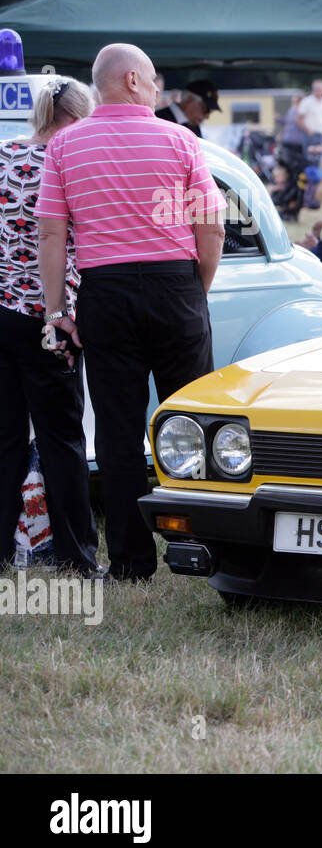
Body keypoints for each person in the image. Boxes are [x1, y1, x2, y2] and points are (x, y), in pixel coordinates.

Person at [35, 43, 226, 583]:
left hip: (106, 292)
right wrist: (196, 291)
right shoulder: (180, 140)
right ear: (136, 81)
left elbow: (52, 233)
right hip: (175, 286)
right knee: (195, 422)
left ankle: (130, 562)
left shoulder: (66, 146)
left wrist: (57, 312)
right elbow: (210, 228)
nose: (161, 88)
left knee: (118, 434)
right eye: (156, 80)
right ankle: (202, 547)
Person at [0, 77, 102, 577]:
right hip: (49, 317)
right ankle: (75, 557)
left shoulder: (3, 156)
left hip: (1, 314)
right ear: (80, 117)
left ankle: (2, 547)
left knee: (4, 437)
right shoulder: (71, 162)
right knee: (63, 439)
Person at [155, 79, 221, 138]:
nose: (207, 116)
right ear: (189, 100)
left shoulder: (193, 125)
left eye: (210, 111)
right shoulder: (158, 120)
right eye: (205, 109)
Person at [297, 79, 322, 145]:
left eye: (319, 89)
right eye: (315, 88)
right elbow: (298, 119)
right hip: (309, 136)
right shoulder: (306, 101)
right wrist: (308, 131)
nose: (317, 91)